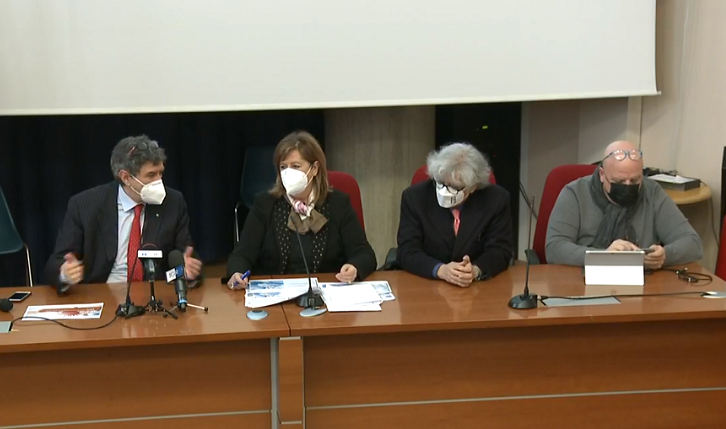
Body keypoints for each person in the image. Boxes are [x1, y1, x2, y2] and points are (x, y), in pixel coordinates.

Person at [44, 135, 203, 287]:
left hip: (154, 293)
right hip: (103, 292)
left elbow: (185, 259)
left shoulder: (173, 202)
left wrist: (184, 270)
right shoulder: (84, 204)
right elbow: (56, 263)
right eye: (151, 175)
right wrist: (65, 273)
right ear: (126, 177)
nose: (158, 182)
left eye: (160, 173)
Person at [226, 131, 377, 289]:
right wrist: (237, 272)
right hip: (277, 295)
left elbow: (364, 253)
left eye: (296, 166)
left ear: (314, 169)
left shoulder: (338, 204)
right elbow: (242, 255)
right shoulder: (265, 204)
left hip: (325, 294)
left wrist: (354, 268)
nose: (288, 173)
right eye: (283, 167)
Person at [546, 140, 703, 269]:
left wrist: (664, 256)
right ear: (602, 174)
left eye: (634, 180)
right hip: (583, 282)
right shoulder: (575, 193)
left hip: (643, 285)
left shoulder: (652, 192)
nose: (627, 186)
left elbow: (693, 244)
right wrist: (603, 257)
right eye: (619, 181)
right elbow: (554, 248)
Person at [396, 143, 513, 287]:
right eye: (441, 183)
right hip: (427, 286)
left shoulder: (496, 200)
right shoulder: (414, 198)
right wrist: (440, 270)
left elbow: (500, 250)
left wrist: (475, 271)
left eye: (454, 187)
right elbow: (407, 251)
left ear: (473, 187)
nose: (445, 191)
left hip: (477, 288)